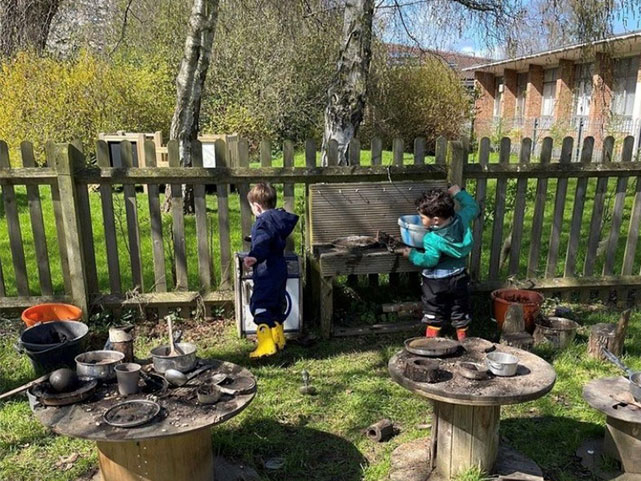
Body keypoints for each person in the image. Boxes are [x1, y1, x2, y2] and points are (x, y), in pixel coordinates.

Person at [400, 185, 479, 341]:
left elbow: (430, 260)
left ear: (435, 220)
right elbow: (472, 207)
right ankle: (464, 341)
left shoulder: (431, 239)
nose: (421, 220)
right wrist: (458, 193)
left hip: (436, 282)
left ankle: (431, 342)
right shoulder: (462, 219)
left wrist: (412, 254)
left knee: (434, 312)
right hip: (459, 276)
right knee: (459, 309)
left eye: (422, 217)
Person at [243, 182, 299, 359]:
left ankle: (266, 346)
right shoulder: (277, 219)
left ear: (257, 207)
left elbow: (262, 241)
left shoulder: (262, 223)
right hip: (279, 269)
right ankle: (279, 339)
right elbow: (270, 238)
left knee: (260, 305)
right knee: (276, 303)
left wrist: (254, 256)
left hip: (265, 270)